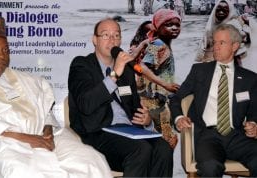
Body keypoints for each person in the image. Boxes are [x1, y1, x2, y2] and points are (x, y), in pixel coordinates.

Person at [0, 16, 112, 178]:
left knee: (91, 161)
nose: (2, 56)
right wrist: (26, 138)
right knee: (27, 172)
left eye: (5, 50)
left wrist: (47, 131)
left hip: (47, 138)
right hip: (7, 144)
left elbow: (45, 113)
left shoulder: (26, 80)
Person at [68, 18, 173, 177]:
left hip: (128, 132)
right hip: (98, 133)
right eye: (106, 35)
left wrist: (147, 121)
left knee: (163, 149)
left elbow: (135, 107)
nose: (112, 39)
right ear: (94, 40)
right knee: (141, 150)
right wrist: (114, 74)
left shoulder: (127, 71)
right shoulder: (82, 65)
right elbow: (85, 104)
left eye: (116, 35)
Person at [169, 24, 257, 177]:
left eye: (221, 43)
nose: (215, 47)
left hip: (237, 136)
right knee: (210, 166)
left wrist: (254, 124)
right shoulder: (200, 71)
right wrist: (178, 118)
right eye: (214, 42)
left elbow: (254, 111)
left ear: (235, 46)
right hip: (208, 136)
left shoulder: (250, 78)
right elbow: (176, 98)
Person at [133, 9, 181, 148]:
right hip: (153, 102)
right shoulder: (158, 45)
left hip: (156, 100)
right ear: (158, 27)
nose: (174, 28)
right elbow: (143, 67)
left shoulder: (157, 42)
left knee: (166, 140)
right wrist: (165, 84)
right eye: (168, 24)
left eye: (177, 25)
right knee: (169, 140)